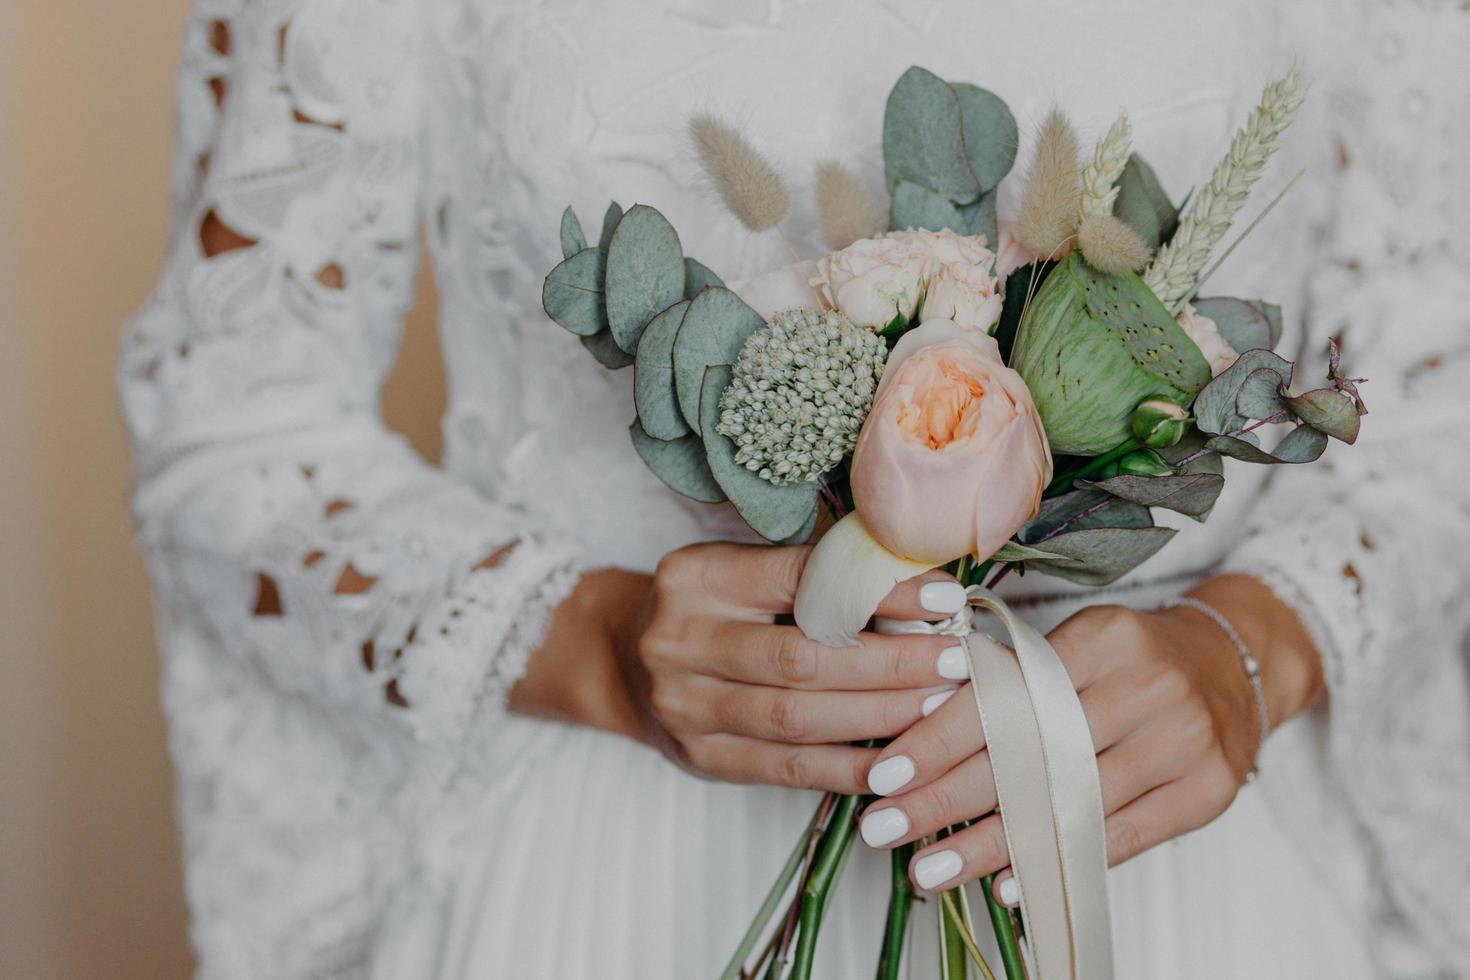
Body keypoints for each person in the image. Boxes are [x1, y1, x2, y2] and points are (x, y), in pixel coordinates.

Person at [119, 1, 1470, 976]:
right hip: (621, 880)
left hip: (1164, 864)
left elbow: (1432, 406)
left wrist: (1259, 644)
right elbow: (228, 423)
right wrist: (587, 639)